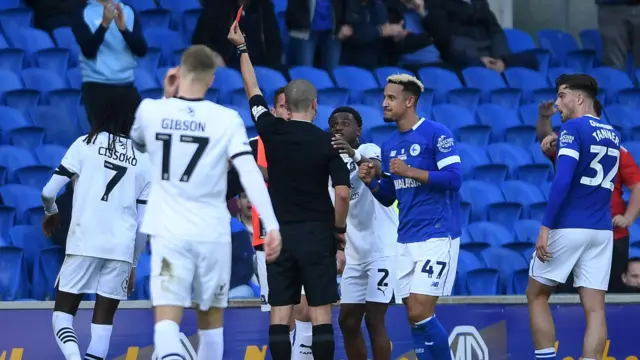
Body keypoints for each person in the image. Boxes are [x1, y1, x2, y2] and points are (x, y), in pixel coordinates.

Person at [129, 44, 281, 360]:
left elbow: (138, 142)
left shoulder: (151, 110)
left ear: (179, 72)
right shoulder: (226, 119)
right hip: (211, 236)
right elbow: (250, 173)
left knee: (166, 324)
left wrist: (166, 98)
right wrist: (273, 224)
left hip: (169, 233)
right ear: (211, 79)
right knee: (211, 328)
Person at [228, 24, 351, 360]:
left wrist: (242, 49)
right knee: (321, 314)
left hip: (278, 235)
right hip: (317, 236)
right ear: (314, 105)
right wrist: (338, 231)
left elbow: (252, 90)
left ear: (287, 104)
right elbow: (342, 193)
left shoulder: (270, 130)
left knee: (280, 315)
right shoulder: (328, 142)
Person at [358, 74, 461, 360]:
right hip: (405, 237)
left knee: (420, 310)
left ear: (410, 101)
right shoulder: (389, 144)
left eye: (391, 98)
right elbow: (391, 196)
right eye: (385, 97)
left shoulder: (437, 133)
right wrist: (372, 183)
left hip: (438, 233)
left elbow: (454, 179)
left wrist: (409, 171)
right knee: (413, 317)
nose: (384, 104)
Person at [40, 93, 150, 360]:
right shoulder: (146, 160)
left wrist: (51, 212)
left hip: (84, 239)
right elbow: (143, 225)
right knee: (102, 327)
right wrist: (133, 263)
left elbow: (48, 191)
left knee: (62, 317)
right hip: (121, 248)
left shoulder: (84, 144)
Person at [527, 74, 620, 360]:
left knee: (537, 295)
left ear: (579, 98)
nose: (557, 103)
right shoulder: (612, 133)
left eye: (562, 95)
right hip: (601, 230)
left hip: (569, 225)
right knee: (594, 308)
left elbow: (563, 180)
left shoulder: (572, 129)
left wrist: (545, 227)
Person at [536, 99, 640, 293]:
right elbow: (544, 138)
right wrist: (544, 117)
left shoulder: (614, 150)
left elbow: (637, 186)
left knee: (605, 296)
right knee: (583, 297)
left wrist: (628, 218)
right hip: (592, 232)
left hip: (603, 234)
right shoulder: (577, 142)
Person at [328, 106, 399, 360]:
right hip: (353, 253)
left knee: (374, 318)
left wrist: (355, 156)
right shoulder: (329, 165)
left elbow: (377, 168)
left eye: (345, 123)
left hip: (381, 249)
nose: (338, 126)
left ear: (358, 130)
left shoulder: (368, 150)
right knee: (347, 320)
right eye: (334, 123)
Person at [72, 0, 147, 126]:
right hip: (97, 87)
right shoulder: (82, 12)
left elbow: (141, 50)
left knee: (133, 141)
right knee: (104, 141)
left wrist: (123, 29)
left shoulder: (127, 10)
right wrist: (104, 25)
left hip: (126, 86)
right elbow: (88, 51)